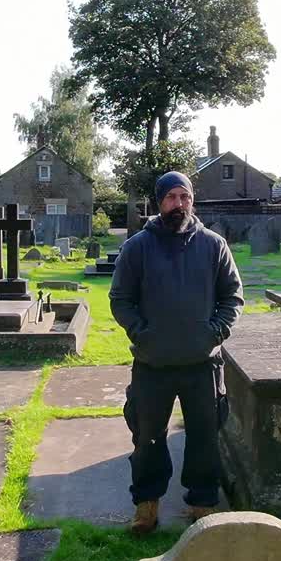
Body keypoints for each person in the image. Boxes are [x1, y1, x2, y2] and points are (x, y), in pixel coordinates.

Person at [109, 171, 244, 535]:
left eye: (184, 197)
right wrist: (142, 333)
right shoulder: (138, 247)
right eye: (171, 197)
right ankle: (147, 506)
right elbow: (120, 299)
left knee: (204, 435)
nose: (178, 204)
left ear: (192, 201)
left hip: (202, 363)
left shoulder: (213, 245)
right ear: (159, 202)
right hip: (153, 363)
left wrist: (214, 331)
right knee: (147, 436)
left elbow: (232, 296)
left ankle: (202, 504)